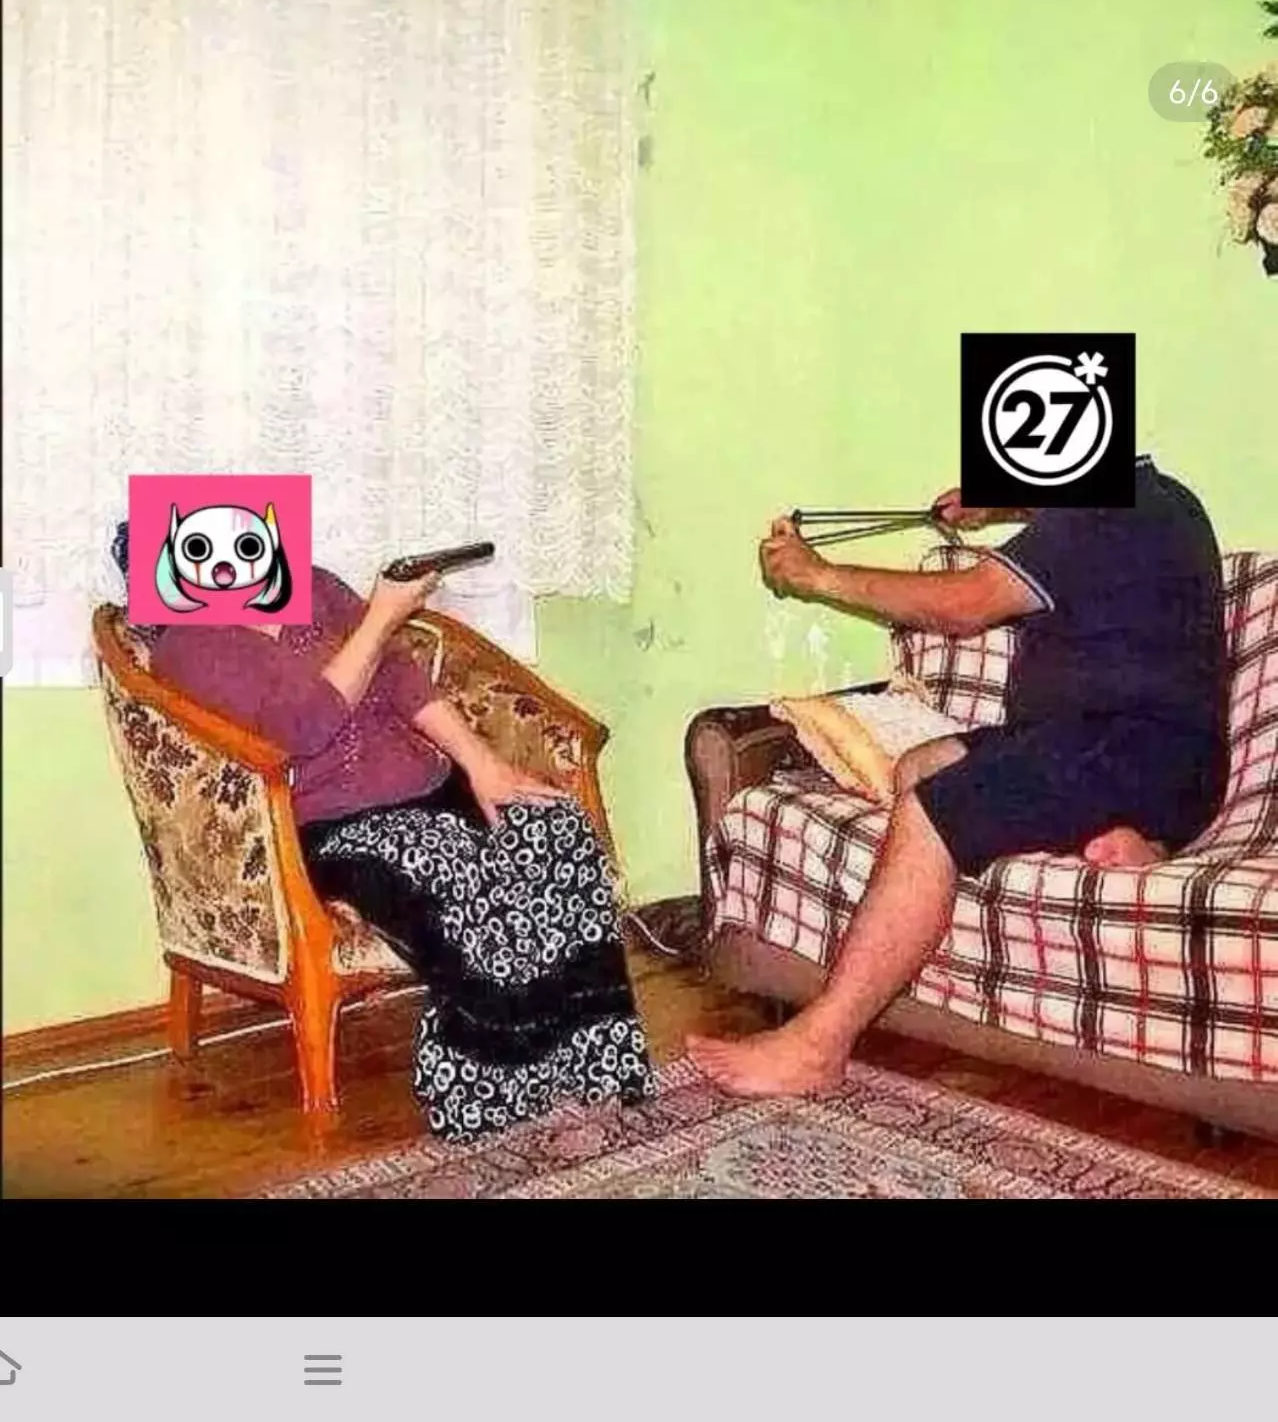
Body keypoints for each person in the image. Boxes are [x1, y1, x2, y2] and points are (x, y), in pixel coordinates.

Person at [687, 454, 1231, 1097]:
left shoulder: (1103, 512)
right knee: (922, 764)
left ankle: (819, 1045)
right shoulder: (1157, 499)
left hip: (1125, 750)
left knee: (931, 809)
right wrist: (999, 504)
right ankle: (1134, 841)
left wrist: (817, 573)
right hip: (1152, 765)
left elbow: (963, 605)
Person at [112, 526, 655, 1141]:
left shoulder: (312, 586)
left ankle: (594, 1058)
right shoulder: (189, 647)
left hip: (430, 783)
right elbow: (300, 730)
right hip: (336, 823)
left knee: (556, 831)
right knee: (452, 869)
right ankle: (489, 1082)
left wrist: (482, 764)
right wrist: (381, 617)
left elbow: (398, 676)